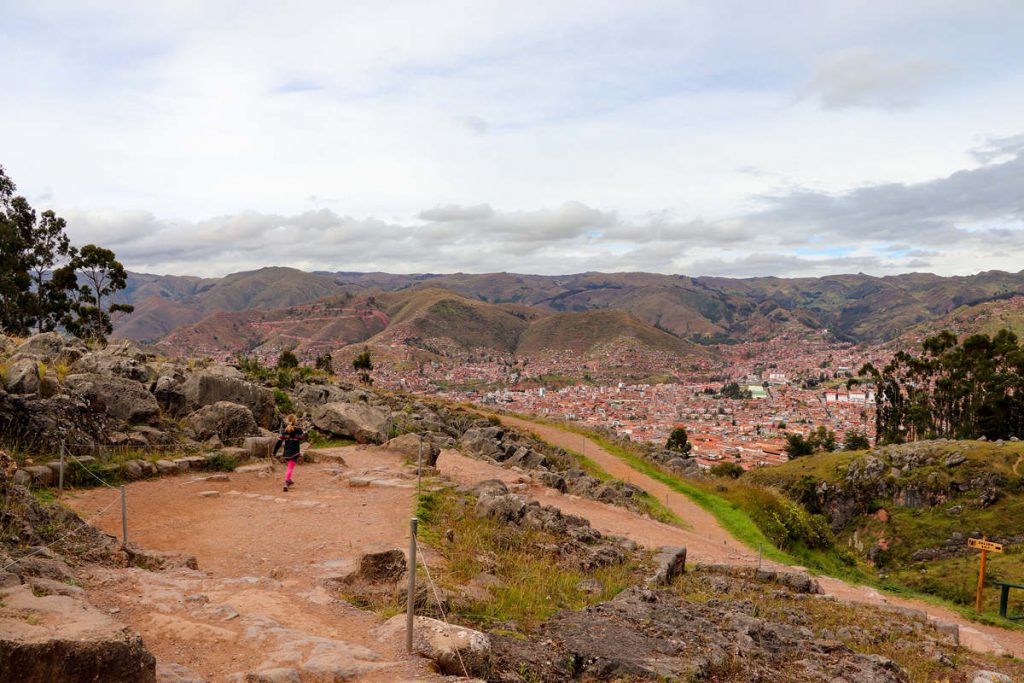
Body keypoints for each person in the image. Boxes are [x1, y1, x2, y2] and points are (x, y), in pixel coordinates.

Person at [272, 414, 305, 492]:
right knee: (290, 468)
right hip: (294, 452)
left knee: (289, 466)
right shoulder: (298, 430)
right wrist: (305, 433)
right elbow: (302, 438)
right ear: (295, 421)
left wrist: (274, 452)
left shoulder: (285, 431)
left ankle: (289, 480)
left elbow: (279, 442)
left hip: (286, 453)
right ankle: (286, 482)